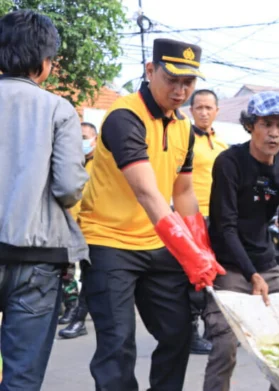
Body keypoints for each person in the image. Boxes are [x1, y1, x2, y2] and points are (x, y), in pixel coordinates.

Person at [78, 38, 225, 391]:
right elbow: (146, 191)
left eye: (187, 83)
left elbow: (184, 192)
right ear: (150, 71)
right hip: (108, 241)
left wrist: (201, 248)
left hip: (156, 242)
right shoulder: (124, 117)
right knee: (117, 343)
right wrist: (189, 255)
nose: (180, 91)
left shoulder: (184, 127)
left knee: (177, 333)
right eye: (172, 79)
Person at [0, 10, 88, 390]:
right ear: (45, 63)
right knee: (22, 375)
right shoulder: (57, 109)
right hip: (36, 258)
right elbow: (69, 187)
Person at [203, 91, 279, 391]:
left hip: (266, 264)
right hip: (228, 266)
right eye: (267, 124)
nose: (274, 133)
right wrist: (251, 274)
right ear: (251, 125)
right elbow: (224, 227)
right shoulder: (229, 162)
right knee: (225, 345)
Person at [188, 89, 228, 354]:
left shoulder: (222, 145)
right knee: (193, 277)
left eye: (208, 107)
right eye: (199, 107)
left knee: (215, 276)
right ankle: (189, 333)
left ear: (217, 111)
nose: (204, 112)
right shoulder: (185, 139)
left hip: (218, 218)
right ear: (190, 110)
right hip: (191, 217)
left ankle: (212, 328)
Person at [58, 122, 98, 339]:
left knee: (88, 275)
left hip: (91, 227)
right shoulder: (73, 162)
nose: (80, 141)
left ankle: (78, 317)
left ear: (95, 139)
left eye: (84, 136)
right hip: (67, 225)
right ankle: (72, 310)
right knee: (66, 271)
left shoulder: (101, 163)